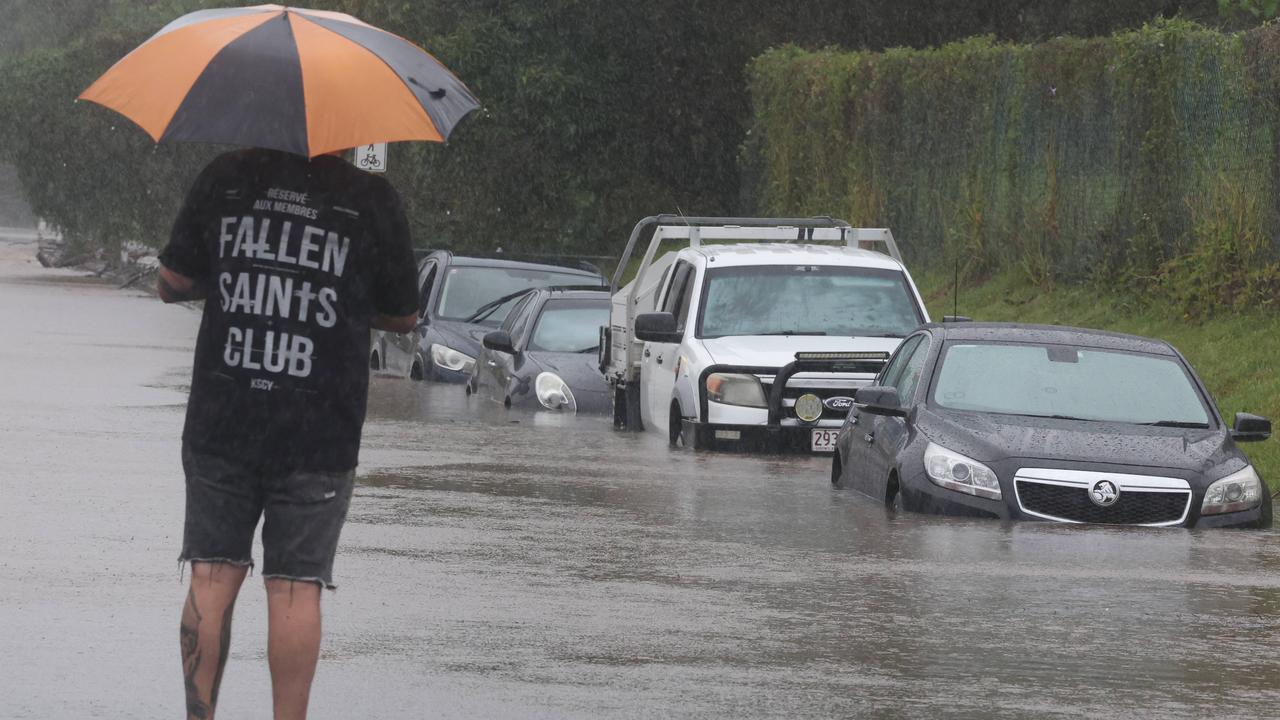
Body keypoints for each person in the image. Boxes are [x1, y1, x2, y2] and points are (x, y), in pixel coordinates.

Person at [157, 147, 418, 720]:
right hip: (320, 427)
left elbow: (172, 280)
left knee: (211, 571)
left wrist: (235, 276)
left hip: (223, 419)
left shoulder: (226, 176)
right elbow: (404, 315)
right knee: (296, 587)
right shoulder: (370, 199)